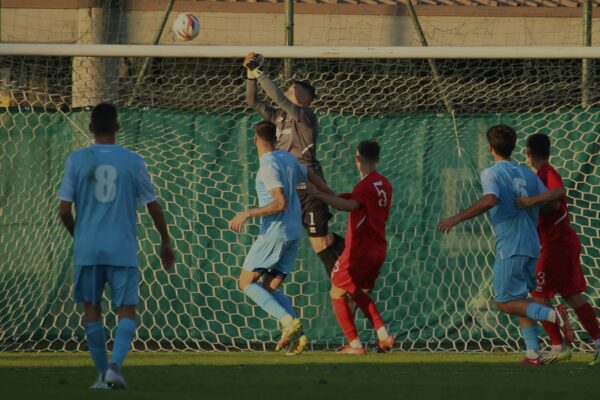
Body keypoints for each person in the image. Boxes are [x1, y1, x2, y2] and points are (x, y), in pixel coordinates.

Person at [58, 103, 174, 389]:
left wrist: (80, 237)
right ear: (118, 127)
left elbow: (63, 210)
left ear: (90, 128)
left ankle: (102, 376)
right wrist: (165, 240)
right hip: (122, 249)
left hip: (88, 249)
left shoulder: (77, 160)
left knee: (92, 309)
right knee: (127, 308)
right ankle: (114, 368)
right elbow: (153, 206)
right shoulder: (133, 161)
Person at [436, 124, 571, 365]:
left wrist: (456, 217)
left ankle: (553, 314)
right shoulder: (527, 174)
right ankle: (532, 353)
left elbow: (490, 200)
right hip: (532, 245)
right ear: (514, 147)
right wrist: (532, 203)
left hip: (511, 245)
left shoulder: (491, 173)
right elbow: (553, 202)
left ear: (490, 148)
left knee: (505, 302)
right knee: (521, 299)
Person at [229, 121, 331, 355]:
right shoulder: (288, 158)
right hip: (294, 232)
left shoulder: (268, 165)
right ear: (275, 138)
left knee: (245, 282)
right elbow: (311, 174)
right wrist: (331, 194)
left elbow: (280, 203)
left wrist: (248, 213)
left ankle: (287, 321)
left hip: (275, 233)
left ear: (255, 140)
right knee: (271, 286)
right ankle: (298, 336)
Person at [244, 53, 345, 278]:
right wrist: (251, 75)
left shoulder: (306, 116)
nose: (289, 90)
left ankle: (342, 281)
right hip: (291, 187)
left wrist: (259, 71)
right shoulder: (279, 116)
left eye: (294, 89)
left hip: (309, 186)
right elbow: (252, 102)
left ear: (306, 99)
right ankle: (350, 261)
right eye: (289, 88)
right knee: (319, 239)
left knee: (320, 242)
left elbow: (279, 98)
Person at [517, 133, 600, 366]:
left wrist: (531, 203)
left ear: (528, 153)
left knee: (539, 296)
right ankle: (598, 342)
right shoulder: (542, 174)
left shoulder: (547, 173)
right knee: (573, 296)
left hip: (557, 245)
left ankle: (558, 346)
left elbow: (558, 195)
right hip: (563, 243)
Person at [308, 140, 395, 354]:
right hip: (379, 249)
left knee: (336, 292)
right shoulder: (384, 183)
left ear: (357, 158)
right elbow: (357, 201)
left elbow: (351, 205)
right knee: (356, 292)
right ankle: (383, 335)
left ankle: (354, 344)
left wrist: (318, 194)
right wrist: (330, 193)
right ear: (378, 159)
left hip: (360, 249)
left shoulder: (363, 186)